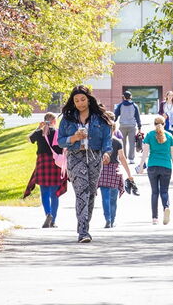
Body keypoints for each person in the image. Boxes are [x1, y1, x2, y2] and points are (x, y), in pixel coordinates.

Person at [58, 85, 113, 243]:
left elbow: (106, 139)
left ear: (89, 99)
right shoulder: (68, 119)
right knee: (82, 192)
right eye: (76, 100)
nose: (80, 103)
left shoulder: (100, 118)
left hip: (95, 157)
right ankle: (83, 232)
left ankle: (83, 225)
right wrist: (73, 138)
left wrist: (107, 153)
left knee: (91, 194)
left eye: (83, 99)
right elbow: (60, 141)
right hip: (75, 157)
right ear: (73, 102)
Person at [23, 113, 67, 228]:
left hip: (42, 163)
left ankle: (48, 214)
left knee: (44, 193)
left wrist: (38, 128)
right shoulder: (59, 133)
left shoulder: (39, 133)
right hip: (56, 164)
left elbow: (28, 138)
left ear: (45, 121)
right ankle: (53, 220)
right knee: (54, 194)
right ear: (54, 121)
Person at [136, 115, 173, 225]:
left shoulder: (150, 135)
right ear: (164, 124)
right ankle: (166, 207)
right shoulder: (169, 136)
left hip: (153, 166)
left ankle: (155, 218)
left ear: (154, 124)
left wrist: (141, 166)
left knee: (155, 192)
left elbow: (145, 152)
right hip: (166, 166)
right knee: (164, 191)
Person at [98, 111, 134, 228]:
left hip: (102, 170)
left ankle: (107, 219)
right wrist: (129, 174)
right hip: (114, 170)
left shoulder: (100, 142)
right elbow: (122, 158)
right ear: (114, 129)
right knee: (113, 199)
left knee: (105, 198)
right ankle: (112, 220)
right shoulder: (117, 142)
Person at [114, 90, 142, 163]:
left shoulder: (120, 105)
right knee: (132, 142)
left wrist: (112, 123)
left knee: (122, 143)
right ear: (131, 97)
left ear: (123, 97)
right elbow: (137, 117)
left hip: (122, 126)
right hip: (132, 126)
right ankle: (131, 159)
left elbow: (115, 116)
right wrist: (139, 127)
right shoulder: (134, 105)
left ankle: (124, 158)